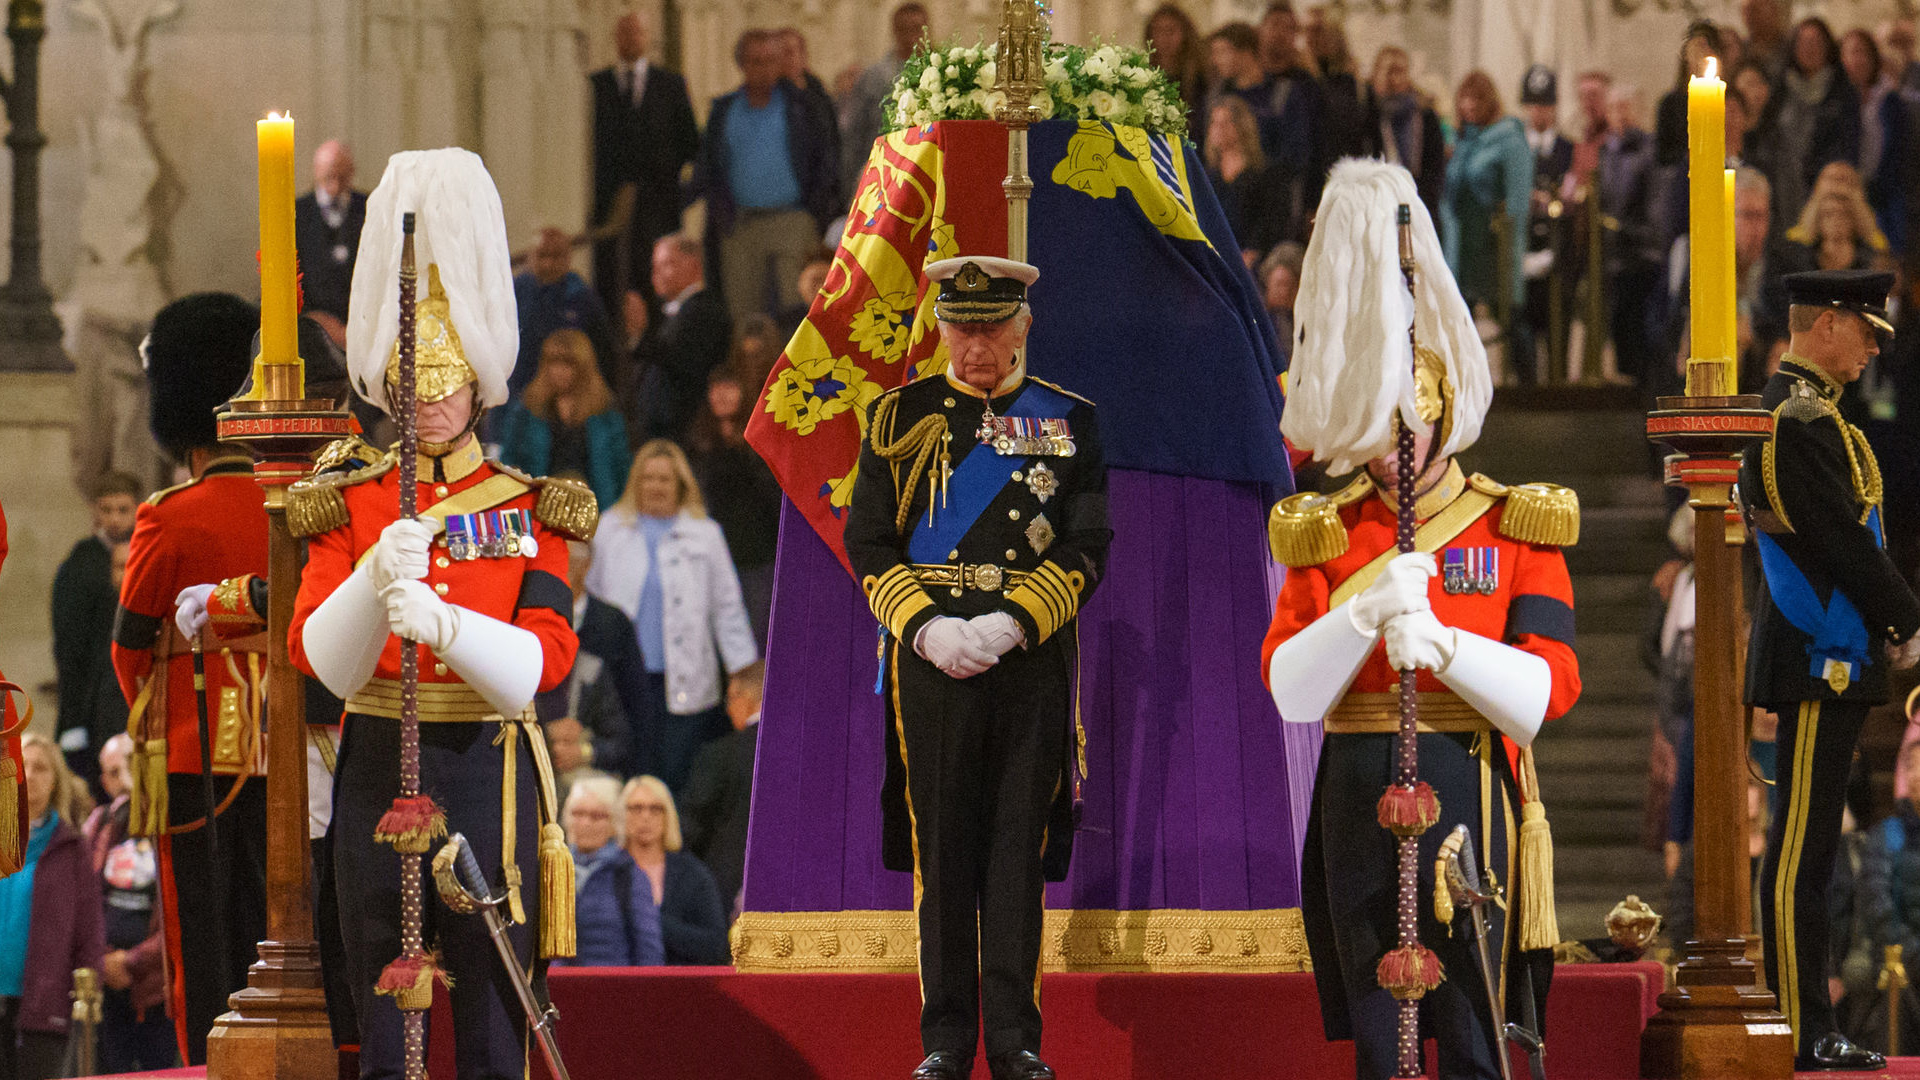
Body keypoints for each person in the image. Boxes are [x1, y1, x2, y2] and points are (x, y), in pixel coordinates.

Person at [287, 148, 597, 1079]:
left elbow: (545, 661)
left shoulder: (531, 505)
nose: (425, 404)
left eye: (444, 384)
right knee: (384, 1017)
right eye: (411, 387)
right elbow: (320, 661)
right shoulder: (350, 500)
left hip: (488, 776)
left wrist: (449, 628)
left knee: (496, 1031)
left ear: (478, 386)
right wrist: (378, 576)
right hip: (380, 759)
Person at [1266, 159, 1579, 1080]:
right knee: (1378, 1029)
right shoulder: (1327, 529)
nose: (1396, 454)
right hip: (1357, 781)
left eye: (1410, 427)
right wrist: (1359, 612)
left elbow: (1549, 687)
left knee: (1474, 1029)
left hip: (1471, 781)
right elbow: (1288, 687)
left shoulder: (1510, 518)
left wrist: (1445, 647)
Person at [844, 256, 1111, 1080]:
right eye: (961, 327)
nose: (976, 346)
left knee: (1014, 855)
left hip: (1026, 662)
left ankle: (1016, 1042)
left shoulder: (1069, 421)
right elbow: (869, 542)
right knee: (945, 853)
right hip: (931, 663)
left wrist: (1013, 621)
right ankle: (946, 1043)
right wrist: (924, 629)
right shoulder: (898, 416)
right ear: (939, 328)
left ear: (1023, 327)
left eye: (993, 327)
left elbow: (1088, 543)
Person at [1742, 269, 1920, 1071]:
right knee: (1800, 855)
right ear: (1826, 327)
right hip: (1817, 655)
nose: (1874, 346)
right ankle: (1796, 1028)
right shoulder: (1797, 419)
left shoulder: (1817, 417)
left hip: (1827, 656)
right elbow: (1842, 542)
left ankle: (1806, 1025)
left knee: (1810, 852)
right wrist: (1909, 617)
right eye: (1865, 330)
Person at [108, 292, 269, 1067]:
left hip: (189, 747)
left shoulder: (169, 515)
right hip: (290, 753)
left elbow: (130, 650)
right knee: (281, 933)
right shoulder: (286, 505)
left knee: (199, 946)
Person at [585, 440, 757, 793]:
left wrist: (742, 671)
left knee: (678, 773)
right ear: (635, 482)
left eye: (665, 479)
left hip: (685, 675)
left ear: (681, 484)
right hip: (622, 678)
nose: (656, 486)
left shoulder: (706, 534)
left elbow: (727, 607)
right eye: (648, 478)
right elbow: (592, 603)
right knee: (629, 770)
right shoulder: (609, 529)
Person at [700, 28, 840, 324]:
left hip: (793, 219)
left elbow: (826, 158)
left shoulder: (802, 105)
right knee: (744, 315)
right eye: (754, 61)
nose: (762, 69)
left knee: (800, 309)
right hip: (741, 223)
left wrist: (818, 210)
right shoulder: (725, 110)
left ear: (779, 64)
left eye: (769, 60)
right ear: (741, 64)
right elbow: (710, 167)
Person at [0, 734, 107, 1080]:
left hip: (45, 1004)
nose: (29, 775)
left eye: (41, 768)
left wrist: (90, 994)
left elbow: (89, 933)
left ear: (56, 781)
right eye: (22, 767)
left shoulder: (74, 849)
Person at [588, 11, 698, 316]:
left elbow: (689, 143)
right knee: (610, 282)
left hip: (657, 206)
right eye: (624, 32)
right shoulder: (596, 86)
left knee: (655, 280)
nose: (631, 39)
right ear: (615, 38)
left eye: (637, 33)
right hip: (608, 206)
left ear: (647, 38)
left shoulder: (670, 85)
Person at [82, 733, 171, 1073]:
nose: (125, 782)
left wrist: (132, 961)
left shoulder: (169, 823)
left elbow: (179, 917)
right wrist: (104, 960)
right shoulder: (100, 825)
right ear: (104, 780)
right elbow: (84, 901)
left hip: (156, 986)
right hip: (105, 982)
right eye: (114, 773)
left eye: (131, 768)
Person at [52, 470, 141, 792]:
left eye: (123, 510)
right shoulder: (82, 564)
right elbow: (69, 645)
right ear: (94, 511)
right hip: (93, 692)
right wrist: (73, 718)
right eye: (106, 510)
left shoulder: (147, 552)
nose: (115, 519)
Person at [1441, 71, 1533, 380]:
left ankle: (1529, 390)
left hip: (1494, 243)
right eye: (1464, 98)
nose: (1468, 105)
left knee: (1510, 317)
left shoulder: (1508, 138)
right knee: (1459, 316)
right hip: (1463, 241)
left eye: (1476, 98)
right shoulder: (1464, 140)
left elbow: (1519, 199)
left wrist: (1509, 246)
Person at [686, 367, 784, 646]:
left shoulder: (762, 438)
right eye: (716, 388)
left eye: (730, 387)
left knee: (758, 637)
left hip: (756, 554)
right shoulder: (699, 440)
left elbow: (773, 495)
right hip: (712, 554)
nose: (722, 395)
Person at [536, 539, 649, 779]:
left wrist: (587, 749)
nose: (558, 568)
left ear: (586, 564)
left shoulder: (613, 624)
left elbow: (634, 706)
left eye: (567, 559)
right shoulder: (526, 620)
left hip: (597, 765)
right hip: (537, 752)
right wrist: (547, 732)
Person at [491, 328, 630, 509]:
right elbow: (509, 463)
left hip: (599, 511)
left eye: (568, 364)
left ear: (584, 368)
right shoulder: (526, 411)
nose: (559, 371)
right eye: (553, 363)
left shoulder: (605, 414)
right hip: (538, 510)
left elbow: (621, 468)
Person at [627, 233, 733, 443]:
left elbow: (684, 361)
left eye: (666, 264)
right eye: (654, 266)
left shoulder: (705, 310)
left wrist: (641, 334)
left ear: (693, 266)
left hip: (685, 432)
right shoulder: (671, 314)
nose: (656, 274)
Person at [681, 660, 763, 914]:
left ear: (743, 697)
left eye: (729, 699)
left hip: (726, 886)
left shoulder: (720, 755)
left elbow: (693, 824)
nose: (728, 710)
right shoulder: (808, 756)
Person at [555, 775, 664, 968]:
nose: (585, 823)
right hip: (558, 990)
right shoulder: (553, 871)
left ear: (614, 823)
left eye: (597, 816)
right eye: (577, 814)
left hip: (613, 990)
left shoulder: (630, 876)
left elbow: (649, 953)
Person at [619, 775, 728, 966]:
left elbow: (715, 946)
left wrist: (652, 920)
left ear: (667, 815)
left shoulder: (692, 874)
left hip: (679, 985)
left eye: (656, 809)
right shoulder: (607, 870)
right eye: (636, 808)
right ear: (621, 815)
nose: (646, 817)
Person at [1767, 17, 1863, 232]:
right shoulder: (1780, 89)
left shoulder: (1843, 94)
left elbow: (1847, 147)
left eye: (1815, 43)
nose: (1809, 49)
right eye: (1803, 42)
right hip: (1782, 190)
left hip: (1824, 194)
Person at [1598, 85, 1663, 387]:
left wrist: (1630, 231)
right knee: (1619, 329)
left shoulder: (1648, 152)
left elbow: (1651, 204)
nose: (1619, 115)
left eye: (1625, 107)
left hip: (1641, 255)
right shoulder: (1607, 150)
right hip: (1615, 256)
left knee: (1640, 333)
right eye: (1614, 108)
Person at [511, 227, 620, 397]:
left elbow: (604, 353)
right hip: (516, 397)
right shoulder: (514, 292)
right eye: (542, 255)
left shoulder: (582, 298)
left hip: (565, 402)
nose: (548, 263)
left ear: (568, 258)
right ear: (530, 257)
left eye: (556, 256)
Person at [1518, 64, 1572, 383]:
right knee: (1522, 330)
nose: (1540, 112)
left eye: (1546, 105)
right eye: (1535, 104)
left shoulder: (1566, 148)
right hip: (1523, 250)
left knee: (1557, 330)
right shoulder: (1518, 149)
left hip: (1556, 253)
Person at [841, 3, 930, 191]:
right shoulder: (873, 77)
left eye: (916, 29)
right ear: (894, 31)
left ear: (927, 30)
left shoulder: (942, 73)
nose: (911, 36)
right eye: (904, 29)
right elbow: (855, 132)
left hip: (928, 166)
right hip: (881, 169)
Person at [1204, 96, 1295, 263]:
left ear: (1242, 126)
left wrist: (1254, 251)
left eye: (1226, 123)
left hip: (1252, 259)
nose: (1219, 129)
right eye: (1214, 123)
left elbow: (1270, 220)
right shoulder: (1209, 176)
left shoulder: (1263, 173)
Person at [1358, 45, 1445, 220]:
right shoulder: (1366, 113)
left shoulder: (1425, 116)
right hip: (1377, 205)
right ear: (1376, 74)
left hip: (1417, 202)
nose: (1395, 79)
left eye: (1401, 71)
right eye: (1389, 71)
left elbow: (1434, 166)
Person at [295, 140, 367, 330]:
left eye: (341, 178)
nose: (335, 186)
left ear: (351, 173)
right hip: (311, 325)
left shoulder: (369, 208)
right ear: (317, 172)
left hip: (362, 322)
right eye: (329, 178)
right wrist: (316, 320)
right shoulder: (297, 213)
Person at [1143, 4, 1205, 136]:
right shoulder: (1145, 76)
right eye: (1158, 31)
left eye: (1170, 31)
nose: (1165, 38)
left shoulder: (1198, 76)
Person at [1260, 241, 1304, 366]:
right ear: (1268, 282)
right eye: (1279, 284)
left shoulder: (1302, 321)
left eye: (1290, 286)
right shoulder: (1259, 320)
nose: (1284, 292)